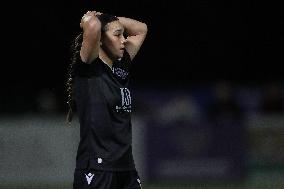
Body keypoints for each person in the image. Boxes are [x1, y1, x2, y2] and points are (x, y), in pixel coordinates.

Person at [66, 10, 147, 189]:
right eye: (117, 35)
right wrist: (88, 18)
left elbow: (141, 28)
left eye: (123, 35)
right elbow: (93, 26)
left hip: (126, 168)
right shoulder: (89, 67)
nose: (124, 40)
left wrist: (110, 18)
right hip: (97, 168)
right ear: (100, 40)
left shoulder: (121, 67)